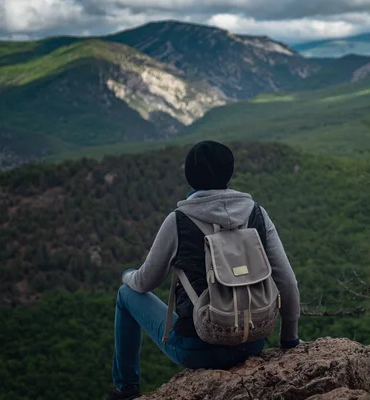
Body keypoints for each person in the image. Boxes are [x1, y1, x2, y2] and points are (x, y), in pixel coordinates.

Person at [107, 141, 301, 400]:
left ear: (190, 177)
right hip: (253, 340)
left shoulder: (178, 220)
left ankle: (126, 388)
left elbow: (144, 283)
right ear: (229, 173)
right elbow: (287, 281)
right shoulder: (257, 214)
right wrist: (289, 340)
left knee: (125, 294)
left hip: (197, 348)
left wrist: (127, 275)